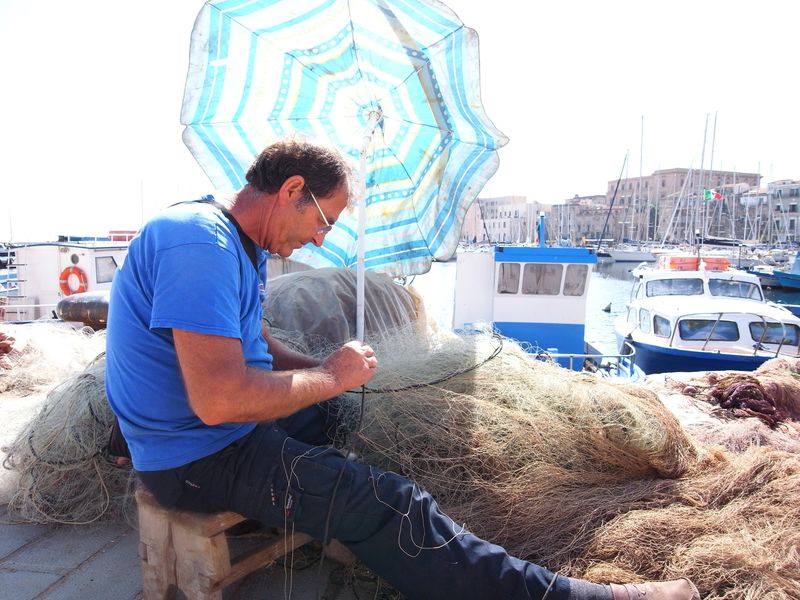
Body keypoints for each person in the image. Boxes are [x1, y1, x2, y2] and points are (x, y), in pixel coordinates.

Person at [105, 139, 700, 600]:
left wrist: (322, 377)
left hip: (217, 434)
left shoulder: (240, 247)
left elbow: (255, 347)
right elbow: (221, 399)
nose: (319, 239)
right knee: (390, 501)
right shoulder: (197, 243)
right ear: (291, 190)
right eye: (324, 221)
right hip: (197, 457)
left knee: (357, 420)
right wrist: (333, 374)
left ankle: (408, 544)